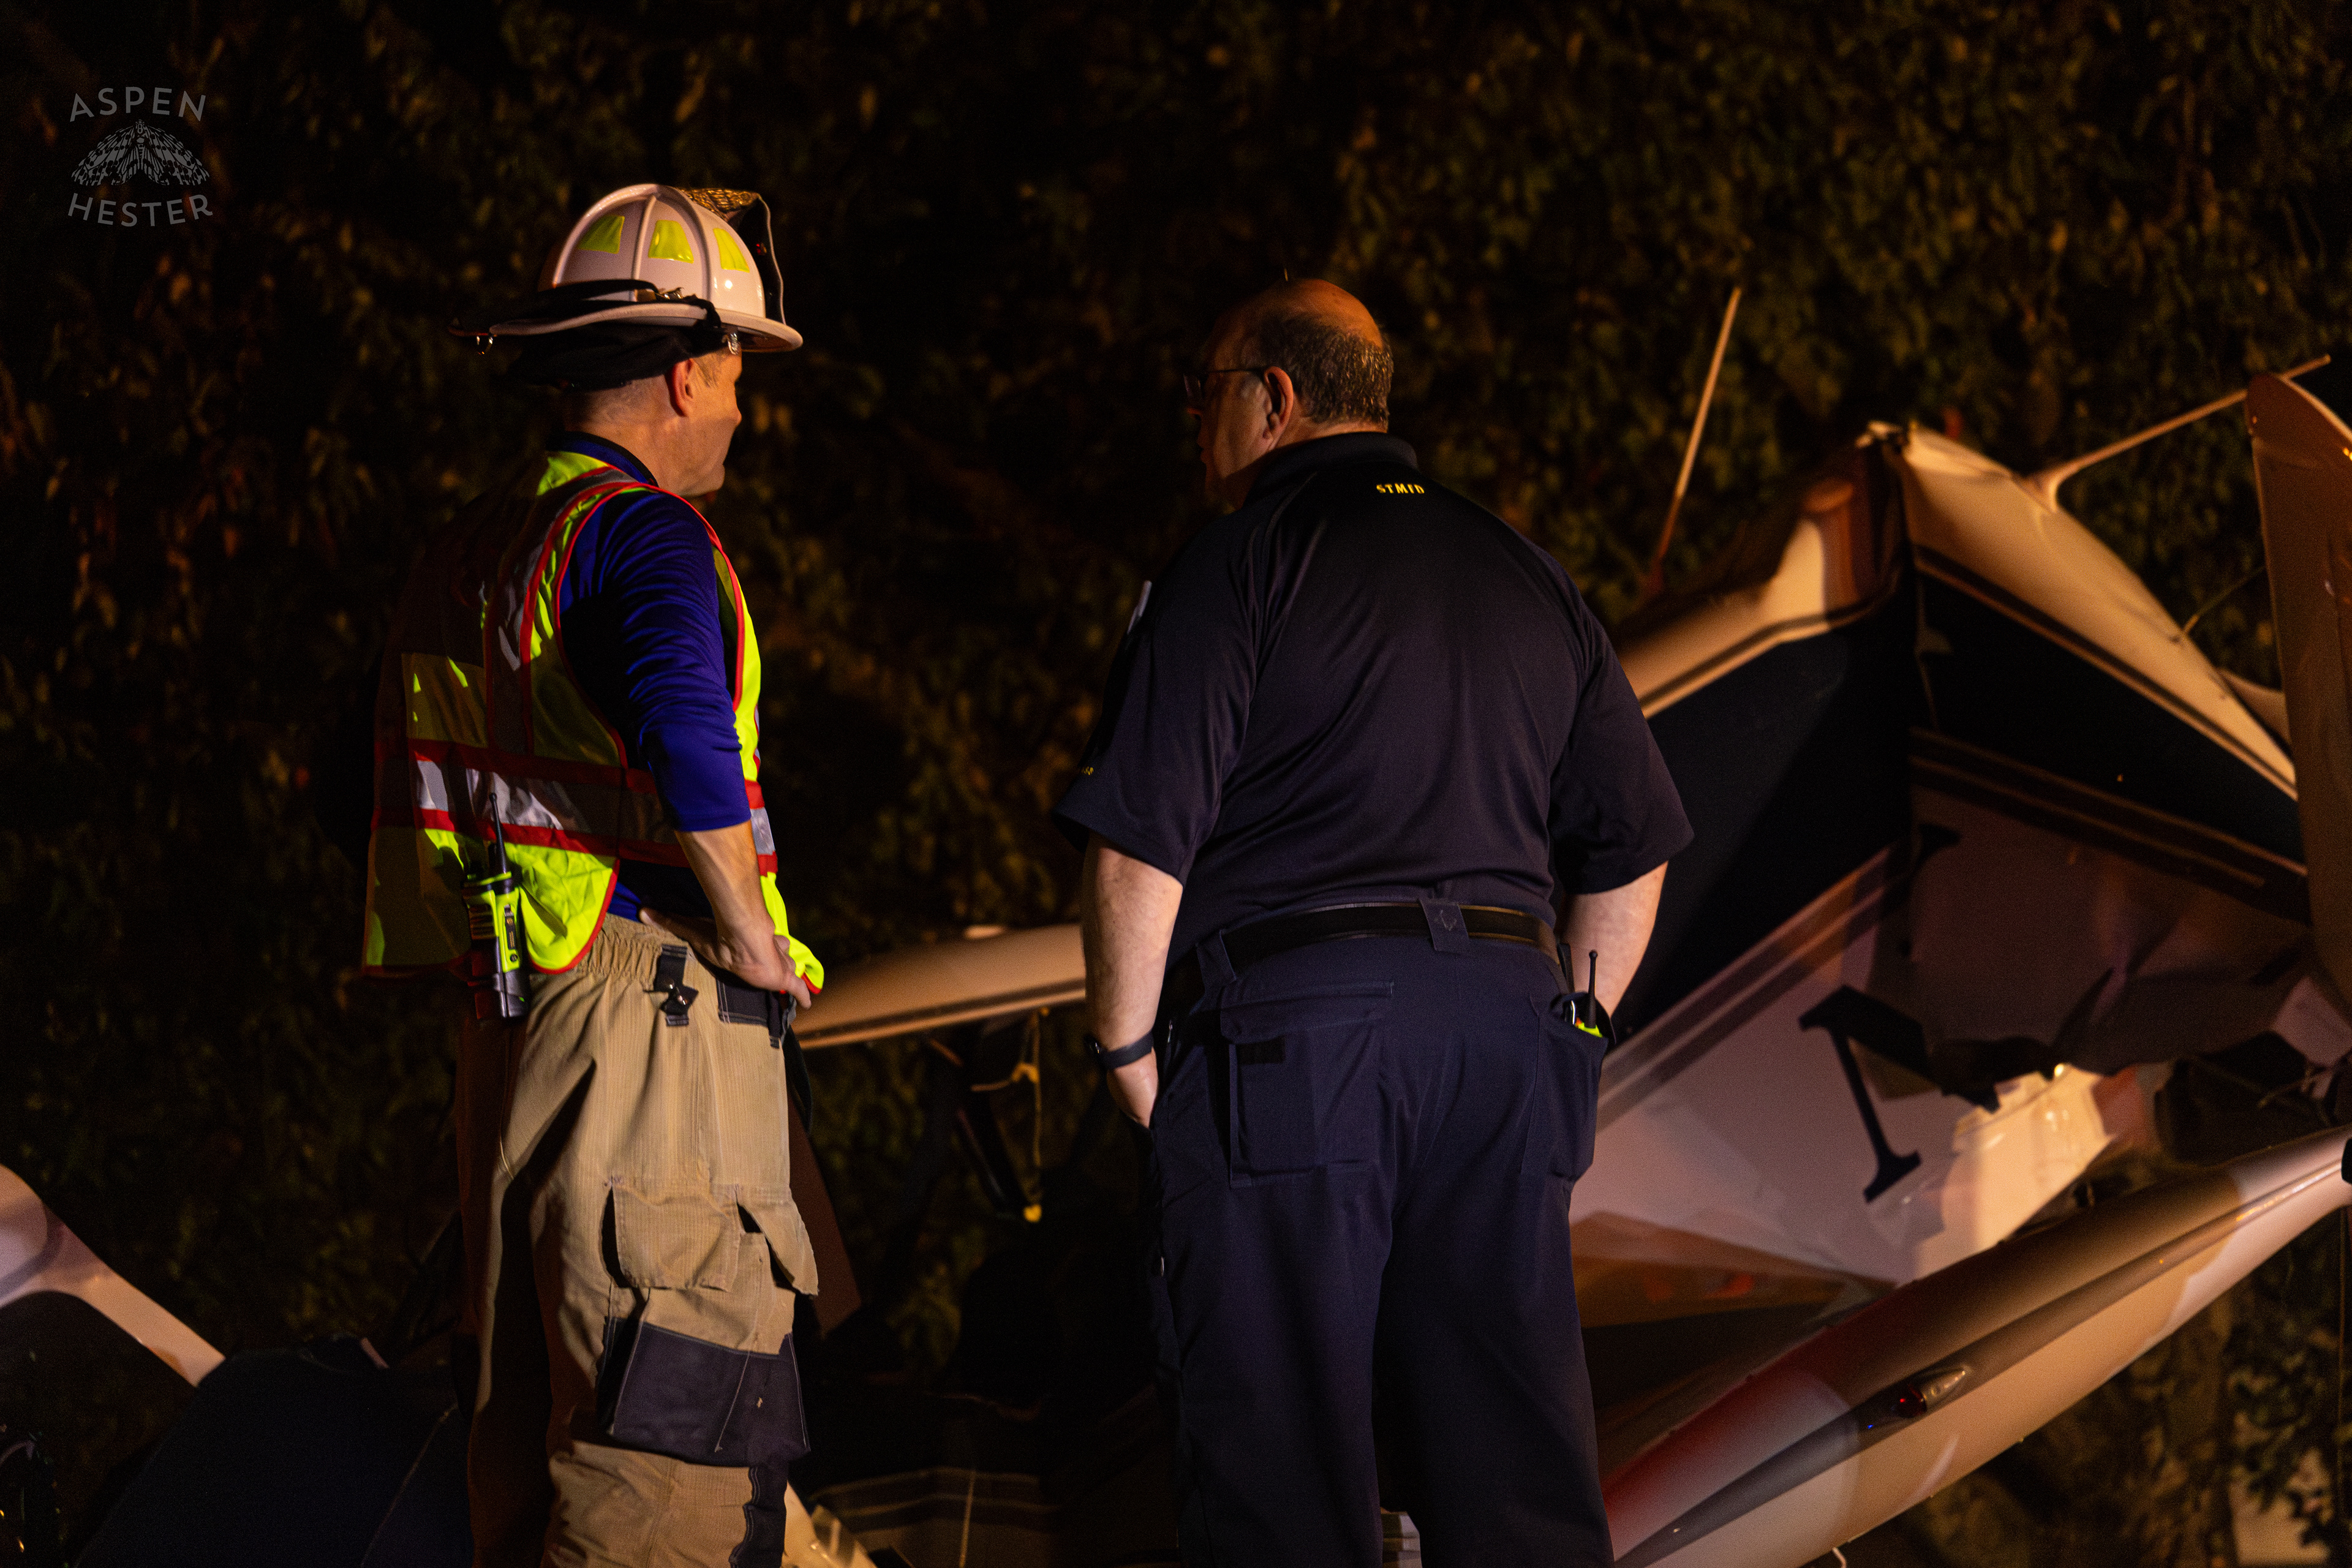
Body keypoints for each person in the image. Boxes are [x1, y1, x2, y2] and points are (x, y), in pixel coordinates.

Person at [1053, 280, 1691, 1566]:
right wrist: (1574, 1027)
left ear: (1273, 398)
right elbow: (1634, 846)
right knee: (1516, 1471)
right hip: (1509, 1046)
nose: (1197, 421)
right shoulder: (1523, 567)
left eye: (1208, 388)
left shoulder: (1234, 564)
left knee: (1279, 1476)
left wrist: (1131, 1059)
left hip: (1299, 1044)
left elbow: (1139, 848)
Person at [361, 184, 826, 1568]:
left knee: (525, 1482)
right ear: (688, 370)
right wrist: (751, 938)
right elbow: (688, 736)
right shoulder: (648, 539)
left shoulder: (484, 545)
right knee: (664, 1488)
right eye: (739, 372)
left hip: (512, 1032)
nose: (744, 405)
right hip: (645, 1036)